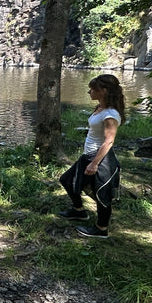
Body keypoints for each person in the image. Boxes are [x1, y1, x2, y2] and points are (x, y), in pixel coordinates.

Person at [59, 74, 126, 239]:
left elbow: (109, 141)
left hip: (100, 159)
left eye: (93, 89)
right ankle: (79, 211)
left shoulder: (110, 114)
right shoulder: (100, 108)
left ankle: (101, 229)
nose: (89, 92)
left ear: (103, 91)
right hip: (88, 155)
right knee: (67, 180)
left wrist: (95, 163)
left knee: (101, 195)